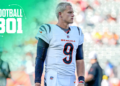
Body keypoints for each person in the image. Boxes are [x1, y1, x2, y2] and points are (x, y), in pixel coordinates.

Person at [35, 2, 85, 86]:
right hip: (53, 78)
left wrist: (81, 80)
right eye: (69, 12)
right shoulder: (48, 30)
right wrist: (37, 81)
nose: (73, 15)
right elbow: (40, 58)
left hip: (70, 78)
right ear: (60, 14)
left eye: (73, 12)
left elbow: (79, 59)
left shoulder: (77, 32)